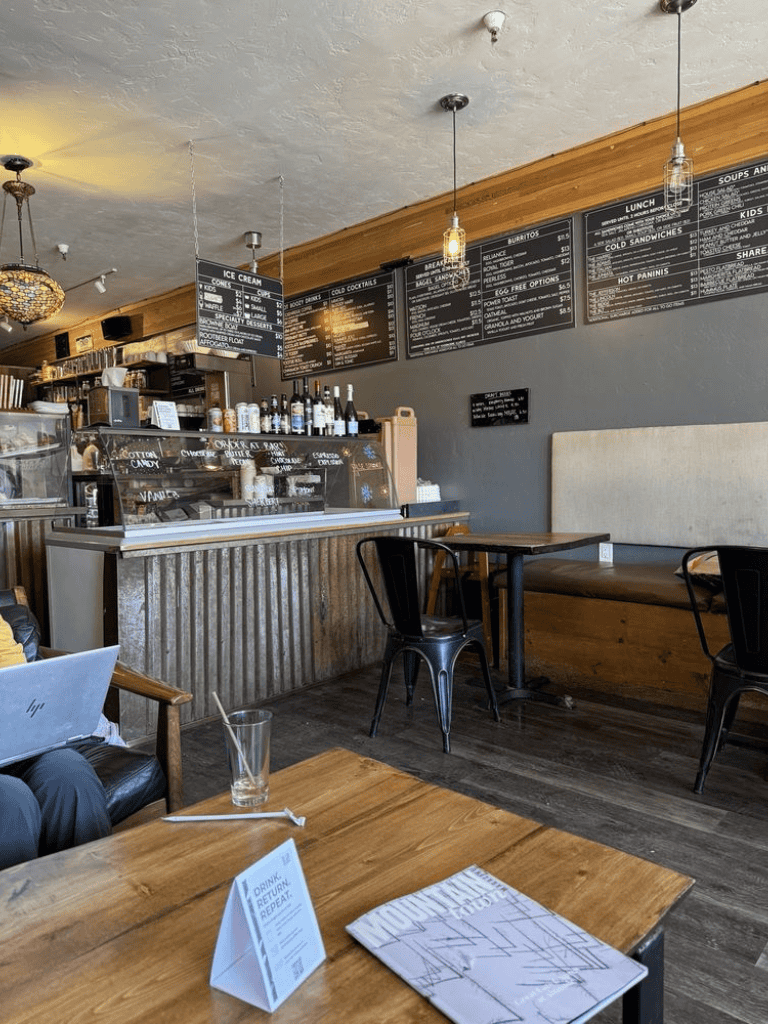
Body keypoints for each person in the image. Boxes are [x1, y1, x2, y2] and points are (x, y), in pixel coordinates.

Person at [0, 611, 111, 871]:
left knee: (70, 774)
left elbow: (19, 685)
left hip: (12, 742)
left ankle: (91, 901)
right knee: (12, 800)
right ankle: (24, 910)